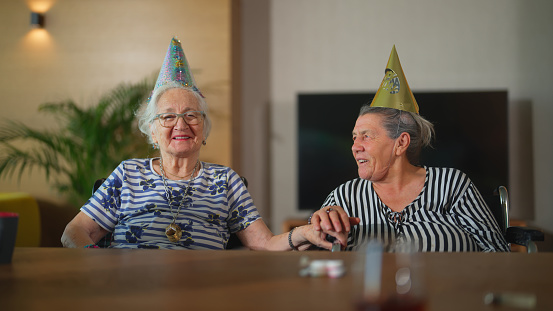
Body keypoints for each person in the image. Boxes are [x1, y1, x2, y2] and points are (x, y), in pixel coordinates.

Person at [61, 37, 345, 250]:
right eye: (168, 116)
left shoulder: (225, 180)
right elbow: (73, 233)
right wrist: (102, 271)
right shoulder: (127, 174)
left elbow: (266, 243)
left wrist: (305, 232)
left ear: (204, 129)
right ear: (152, 130)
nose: (181, 124)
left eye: (191, 115)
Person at [310, 46, 510, 252]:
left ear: (401, 143)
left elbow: (498, 253)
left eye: (366, 136)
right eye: (354, 137)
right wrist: (319, 222)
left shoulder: (452, 185)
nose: (355, 147)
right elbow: (317, 252)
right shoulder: (345, 196)